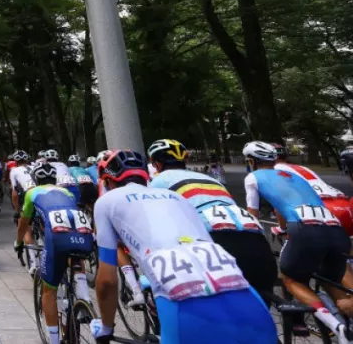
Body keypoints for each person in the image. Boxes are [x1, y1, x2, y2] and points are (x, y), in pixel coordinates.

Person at [89, 149, 275, 344]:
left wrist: (106, 328)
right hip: (242, 292)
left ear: (108, 181)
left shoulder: (105, 201)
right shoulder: (176, 197)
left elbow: (107, 281)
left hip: (181, 302)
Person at [243, 141, 353, 342]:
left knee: (291, 278)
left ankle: (337, 327)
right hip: (336, 228)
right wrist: (283, 227)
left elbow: (253, 215)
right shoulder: (294, 176)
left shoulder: (253, 177)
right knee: (333, 282)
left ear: (251, 161)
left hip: (305, 229)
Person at [148, 139, 277, 304]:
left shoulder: (158, 182)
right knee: (261, 301)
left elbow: (160, 223)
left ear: (157, 164)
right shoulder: (210, 179)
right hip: (255, 237)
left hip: (216, 240)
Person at [14, 163, 93, 344]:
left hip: (56, 236)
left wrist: (18, 243)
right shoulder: (66, 192)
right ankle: (84, 298)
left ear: (37, 179)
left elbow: (23, 223)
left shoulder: (32, 193)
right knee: (75, 255)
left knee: (49, 291)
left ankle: (55, 340)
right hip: (82, 230)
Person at [273, 143, 353, 235]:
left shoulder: (272, 171)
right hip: (345, 206)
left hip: (320, 210)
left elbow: (279, 205)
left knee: (300, 244)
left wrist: (282, 228)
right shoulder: (302, 168)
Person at [9, 151, 32, 217]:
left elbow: (14, 192)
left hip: (27, 194)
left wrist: (17, 211)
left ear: (15, 161)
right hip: (39, 192)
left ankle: (17, 212)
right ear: (27, 160)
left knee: (23, 218)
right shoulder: (34, 167)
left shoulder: (14, 170)